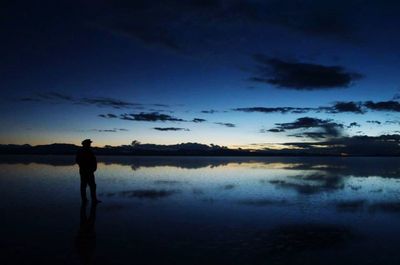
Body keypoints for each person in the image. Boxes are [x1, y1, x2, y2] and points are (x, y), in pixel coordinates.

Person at [76, 139, 101, 203]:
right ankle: (87, 200)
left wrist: (94, 168)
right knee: (88, 185)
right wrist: (86, 166)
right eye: (89, 143)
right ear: (85, 144)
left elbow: (93, 160)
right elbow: (78, 161)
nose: (90, 144)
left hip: (88, 170)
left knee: (89, 185)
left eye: (90, 143)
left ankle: (89, 199)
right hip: (86, 171)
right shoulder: (82, 151)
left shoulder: (87, 151)